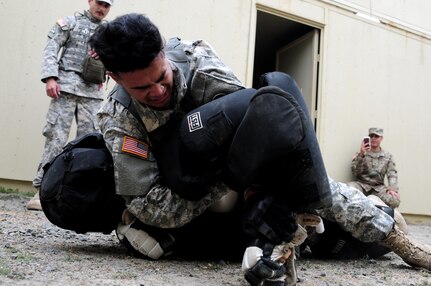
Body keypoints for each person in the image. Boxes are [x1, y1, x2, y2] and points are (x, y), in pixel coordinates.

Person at [90, 14, 430, 285]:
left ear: (163, 54)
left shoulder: (198, 62)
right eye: (142, 87)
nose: (157, 91)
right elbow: (151, 207)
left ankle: (385, 223)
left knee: (277, 110)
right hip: (187, 200)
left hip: (236, 181)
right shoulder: (119, 116)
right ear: (116, 79)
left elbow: (256, 129)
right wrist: (224, 181)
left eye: (161, 77)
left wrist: (258, 191)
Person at [27, 0, 114, 211]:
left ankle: (80, 196)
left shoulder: (110, 33)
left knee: (90, 145)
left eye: (106, 5)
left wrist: (107, 59)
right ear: (90, 1)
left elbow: (118, 59)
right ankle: (41, 192)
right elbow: (51, 48)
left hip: (92, 93)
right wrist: (50, 78)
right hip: (64, 88)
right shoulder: (70, 23)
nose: (101, 8)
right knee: (55, 139)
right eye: (99, 3)